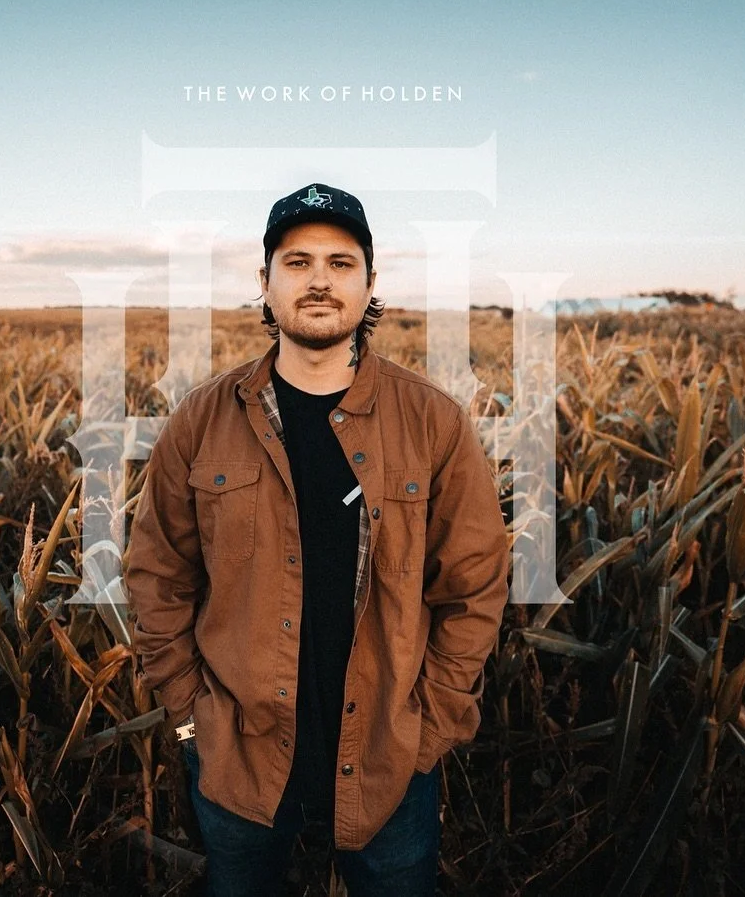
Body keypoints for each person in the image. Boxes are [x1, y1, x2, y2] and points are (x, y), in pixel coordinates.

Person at [125, 182, 509, 896]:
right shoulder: (203, 420)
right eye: (297, 263)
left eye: (341, 262)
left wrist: (430, 729)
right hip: (236, 757)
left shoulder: (432, 423)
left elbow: (474, 584)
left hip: (392, 759)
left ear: (370, 285)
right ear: (264, 286)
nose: (320, 281)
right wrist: (188, 717)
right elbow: (157, 576)